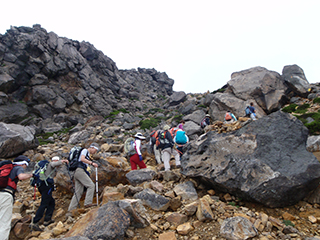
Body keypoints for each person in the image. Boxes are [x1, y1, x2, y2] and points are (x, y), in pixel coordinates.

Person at [30, 156, 69, 230]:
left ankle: (47, 220)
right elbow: (54, 164)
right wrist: (63, 161)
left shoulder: (45, 167)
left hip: (41, 186)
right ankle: (35, 222)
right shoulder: (50, 164)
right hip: (46, 186)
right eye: (57, 161)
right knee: (44, 203)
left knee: (51, 202)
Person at [0, 155, 33, 239]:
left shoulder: (4, 169)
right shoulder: (18, 168)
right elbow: (21, 177)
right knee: (4, 222)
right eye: (26, 165)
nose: (26, 167)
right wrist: (31, 175)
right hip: (6, 195)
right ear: (23, 164)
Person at [68, 143, 100, 211]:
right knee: (91, 185)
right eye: (95, 150)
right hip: (80, 171)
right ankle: (87, 203)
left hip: (76, 172)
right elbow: (82, 159)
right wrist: (92, 163)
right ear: (92, 148)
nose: (95, 152)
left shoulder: (87, 154)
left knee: (78, 192)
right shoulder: (85, 150)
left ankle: (71, 210)